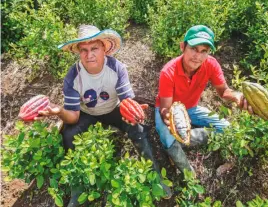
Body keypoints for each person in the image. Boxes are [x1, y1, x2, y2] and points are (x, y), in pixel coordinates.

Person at [36, 24, 171, 206]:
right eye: (83, 50)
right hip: (87, 113)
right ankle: (78, 189)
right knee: (68, 135)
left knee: (137, 128)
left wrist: (132, 111)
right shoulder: (72, 76)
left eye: (94, 48)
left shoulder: (117, 68)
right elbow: (74, 117)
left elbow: (126, 101)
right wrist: (59, 111)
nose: (89, 54)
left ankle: (155, 176)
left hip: (113, 109)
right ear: (78, 52)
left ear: (104, 49)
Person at [155, 25, 254, 174]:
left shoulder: (211, 64)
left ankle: (186, 138)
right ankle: (189, 176)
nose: (198, 56)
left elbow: (223, 91)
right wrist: (170, 119)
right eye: (194, 48)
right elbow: (165, 107)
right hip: (171, 110)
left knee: (228, 129)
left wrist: (237, 96)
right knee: (168, 139)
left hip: (192, 108)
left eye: (204, 51)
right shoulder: (168, 72)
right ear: (183, 47)